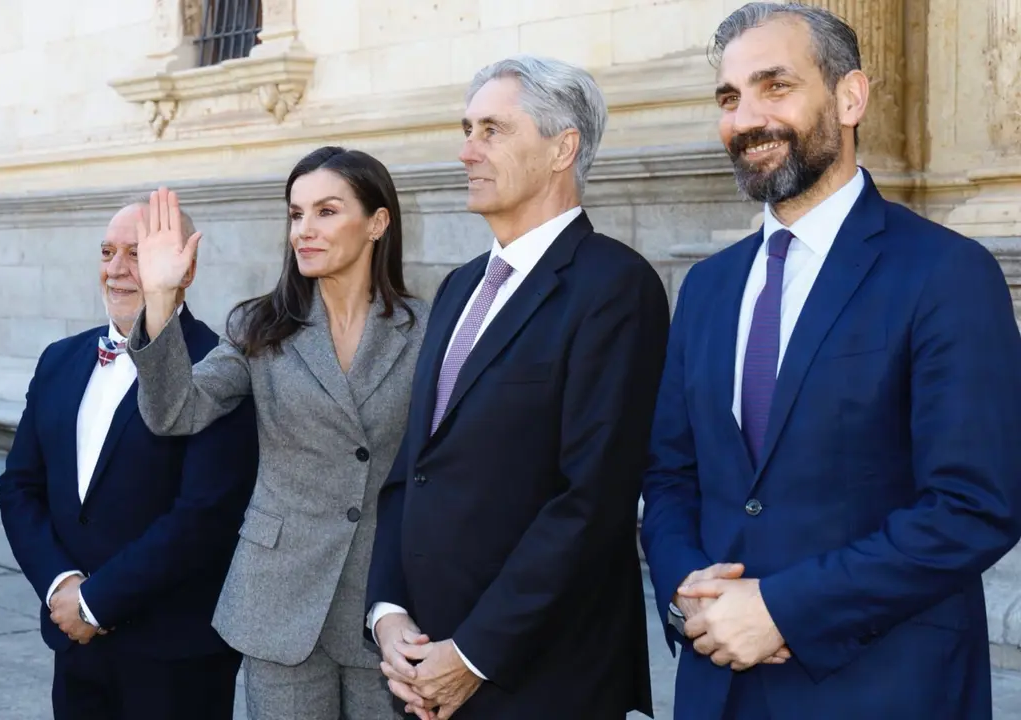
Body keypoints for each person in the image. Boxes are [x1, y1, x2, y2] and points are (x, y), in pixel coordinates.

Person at [639, 4, 1021, 719]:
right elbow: (669, 475)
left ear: (850, 98)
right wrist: (684, 592)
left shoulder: (946, 273)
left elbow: (974, 507)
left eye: (774, 86)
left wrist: (784, 609)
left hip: (884, 686)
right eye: (729, 97)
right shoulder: (708, 287)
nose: (746, 118)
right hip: (716, 688)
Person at [366, 54, 668, 720]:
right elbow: (412, 467)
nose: (465, 150)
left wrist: (472, 655)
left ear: (564, 147)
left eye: (492, 130)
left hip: (540, 677)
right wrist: (388, 616)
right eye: (467, 128)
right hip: (422, 667)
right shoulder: (456, 286)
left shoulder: (615, 287)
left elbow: (591, 500)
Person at [128, 146, 428, 719]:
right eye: (296, 214)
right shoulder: (260, 325)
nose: (305, 230)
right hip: (278, 596)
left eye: (326, 211)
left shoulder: (427, 330)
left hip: (386, 599)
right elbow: (174, 412)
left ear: (378, 222)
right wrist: (160, 298)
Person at [0, 198, 259, 719]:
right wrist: (61, 586)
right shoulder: (59, 359)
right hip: (74, 642)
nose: (117, 268)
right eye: (107, 251)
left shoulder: (221, 363)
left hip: (176, 654)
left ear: (186, 268)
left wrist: (99, 601)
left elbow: (204, 513)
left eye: (137, 254)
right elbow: (19, 487)